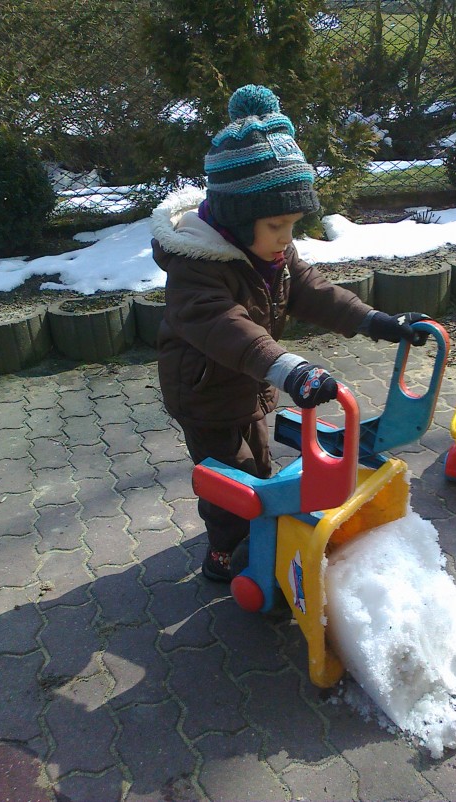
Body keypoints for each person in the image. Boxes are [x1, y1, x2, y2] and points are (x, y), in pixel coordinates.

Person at [150, 84, 428, 582]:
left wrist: (373, 321)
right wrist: (289, 369)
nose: (287, 238)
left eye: (295, 224)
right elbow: (226, 328)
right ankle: (223, 550)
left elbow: (312, 290)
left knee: (258, 459)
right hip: (204, 391)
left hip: (249, 382)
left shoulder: (271, 252)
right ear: (236, 221)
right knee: (229, 478)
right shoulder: (194, 267)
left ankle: (254, 524)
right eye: (277, 224)